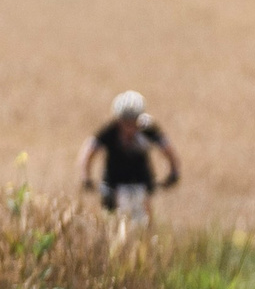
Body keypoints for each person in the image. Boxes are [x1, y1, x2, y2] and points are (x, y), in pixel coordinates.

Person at [76, 91, 180, 225]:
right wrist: (85, 177)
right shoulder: (110, 131)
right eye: (125, 121)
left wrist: (174, 172)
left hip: (141, 179)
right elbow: (89, 151)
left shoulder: (148, 129)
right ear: (118, 119)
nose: (129, 126)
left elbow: (168, 149)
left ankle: (146, 241)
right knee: (110, 219)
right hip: (113, 182)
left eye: (133, 121)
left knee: (145, 217)